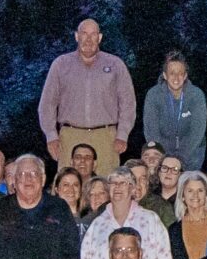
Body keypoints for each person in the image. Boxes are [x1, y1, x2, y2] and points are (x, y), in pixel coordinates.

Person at [39, 17, 137, 176]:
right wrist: (51, 135)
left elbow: (128, 103)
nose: (88, 39)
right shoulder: (60, 64)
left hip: (106, 137)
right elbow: (47, 103)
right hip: (70, 136)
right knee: (69, 183)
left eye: (93, 34)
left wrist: (123, 134)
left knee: (106, 184)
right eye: (84, 33)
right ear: (76, 36)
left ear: (100, 37)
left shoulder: (115, 64)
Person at [78, 169, 170, 259]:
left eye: (123, 183)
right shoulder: (97, 225)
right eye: (113, 183)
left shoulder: (151, 220)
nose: (117, 187)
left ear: (133, 189)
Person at [140, 50, 207, 169]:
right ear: (165, 75)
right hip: (163, 155)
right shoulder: (154, 95)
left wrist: (181, 157)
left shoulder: (196, 95)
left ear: (185, 75)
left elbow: (197, 131)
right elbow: (151, 131)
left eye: (180, 73)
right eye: (172, 73)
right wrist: (165, 159)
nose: (176, 78)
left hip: (192, 155)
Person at [166, 173, 207, 259]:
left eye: (200, 191)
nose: (195, 195)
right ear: (182, 196)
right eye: (190, 191)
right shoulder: (174, 230)